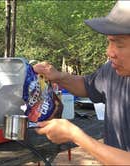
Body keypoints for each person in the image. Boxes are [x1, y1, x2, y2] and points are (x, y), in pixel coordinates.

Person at [33, 1, 130, 165]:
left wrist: (75, 136)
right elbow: (87, 85)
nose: (109, 52)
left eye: (119, 44)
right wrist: (57, 76)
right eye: (109, 42)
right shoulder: (112, 70)